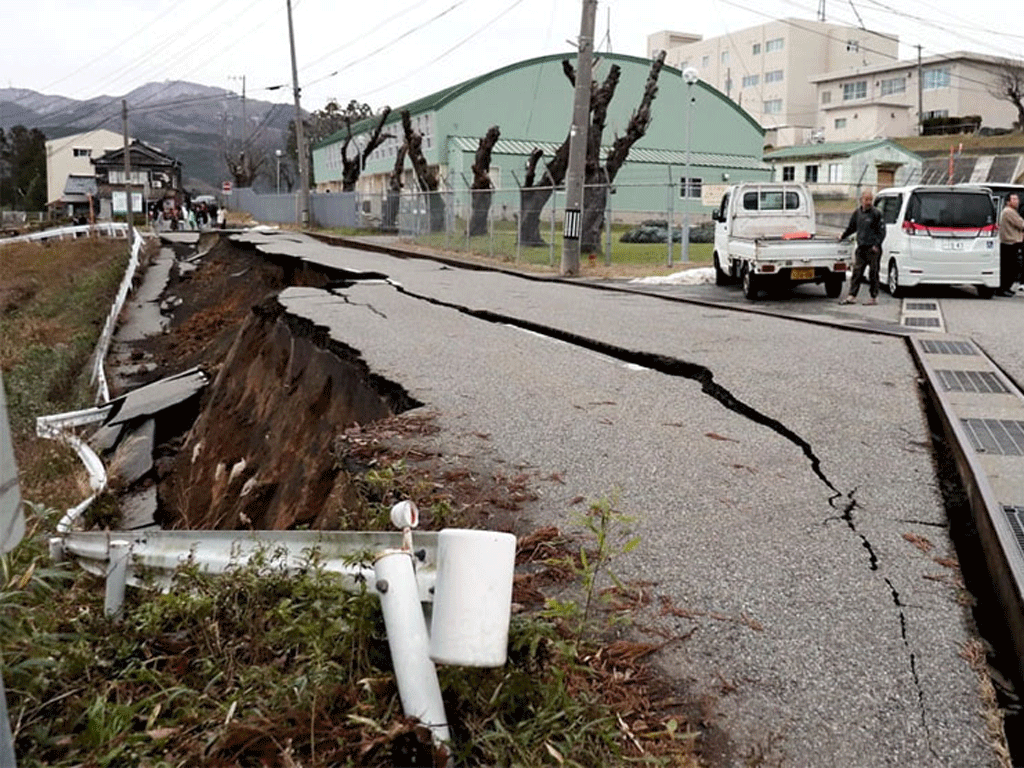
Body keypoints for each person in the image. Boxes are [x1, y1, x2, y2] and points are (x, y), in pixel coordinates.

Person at [839, 189, 886, 305]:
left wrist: (877, 245)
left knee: (873, 273)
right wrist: (843, 236)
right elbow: (852, 227)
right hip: (861, 247)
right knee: (857, 272)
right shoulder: (857, 214)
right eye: (866, 199)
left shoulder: (876, 214)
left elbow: (882, 231)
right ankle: (852, 295)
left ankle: (873, 297)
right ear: (861, 200)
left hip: (873, 249)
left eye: (870, 199)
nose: (868, 202)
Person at [997, 193, 1023, 297]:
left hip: (1011, 242)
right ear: (1008, 201)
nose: (1017, 201)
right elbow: (1021, 224)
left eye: (1017, 199)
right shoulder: (1009, 212)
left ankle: (1006, 288)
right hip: (1009, 243)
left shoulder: (1011, 212)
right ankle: (1003, 288)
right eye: (1014, 199)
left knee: (1011, 267)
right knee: (1009, 267)